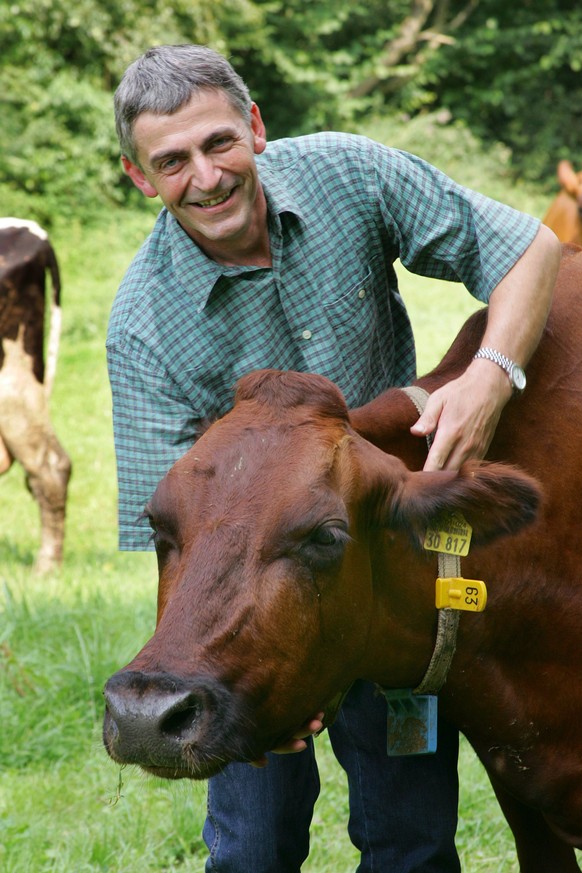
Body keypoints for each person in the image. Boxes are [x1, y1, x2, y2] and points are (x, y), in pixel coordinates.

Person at [107, 43, 561, 873]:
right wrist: (211, 654)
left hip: (385, 566)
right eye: (171, 162)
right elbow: (174, 533)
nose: (205, 178)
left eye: (218, 144)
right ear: (141, 178)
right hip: (257, 597)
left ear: (255, 125)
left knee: (410, 839)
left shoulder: (348, 174)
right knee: (252, 847)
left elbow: (530, 248)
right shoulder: (142, 326)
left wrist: (493, 376)